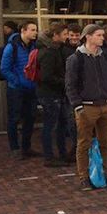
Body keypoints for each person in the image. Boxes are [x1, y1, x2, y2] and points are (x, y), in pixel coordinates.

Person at [66, 24, 107, 190]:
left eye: (102, 35)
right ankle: (84, 177)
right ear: (87, 36)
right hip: (87, 106)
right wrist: (77, 105)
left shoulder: (106, 57)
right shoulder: (76, 58)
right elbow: (70, 84)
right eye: (99, 35)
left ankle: (105, 173)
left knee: (105, 142)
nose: (102, 38)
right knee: (84, 143)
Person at [36, 24, 73, 167]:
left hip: (56, 93)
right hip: (50, 94)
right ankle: (49, 157)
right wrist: (64, 81)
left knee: (61, 125)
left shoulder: (55, 49)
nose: (67, 37)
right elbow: (46, 76)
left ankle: (62, 154)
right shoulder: (49, 52)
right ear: (55, 35)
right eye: (64, 34)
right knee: (51, 125)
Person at [0, 20, 39, 159]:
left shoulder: (34, 46)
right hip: (16, 89)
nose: (35, 32)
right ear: (23, 30)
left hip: (31, 88)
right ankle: (15, 148)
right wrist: (18, 82)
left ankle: (26, 147)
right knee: (14, 118)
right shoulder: (12, 47)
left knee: (30, 118)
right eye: (32, 30)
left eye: (36, 30)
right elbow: (4, 69)